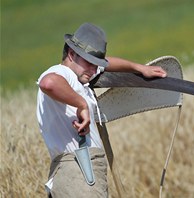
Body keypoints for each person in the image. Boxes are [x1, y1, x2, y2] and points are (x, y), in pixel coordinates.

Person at [36, 22, 167, 198]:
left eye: (94, 64)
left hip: (79, 173)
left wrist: (140, 68)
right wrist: (81, 104)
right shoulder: (62, 72)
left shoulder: (80, 75)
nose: (92, 69)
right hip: (79, 173)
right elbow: (48, 83)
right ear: (71, 54)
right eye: (88, 62)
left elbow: (106, 63)